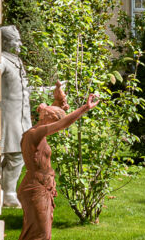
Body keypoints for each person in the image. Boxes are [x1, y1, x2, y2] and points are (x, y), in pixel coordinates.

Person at [17, 82, 99, 240]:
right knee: (39, 233)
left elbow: (57, 109)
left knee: (40, 231)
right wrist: (84, 108)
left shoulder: (38, 129)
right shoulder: (35, 133)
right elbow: (62, 123)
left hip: (41, 185)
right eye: (53, 116)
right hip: (35, 187)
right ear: (49, 119)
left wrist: (58, 90)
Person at [0, 25, 31, 207]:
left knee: (18, 154)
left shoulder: (16, 61)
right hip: (8, 116)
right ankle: (8, 193)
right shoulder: (2, 60)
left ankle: (5, 191)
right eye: (15, 40)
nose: (19, 44)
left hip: (21, 115)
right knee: (13, 154)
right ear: (4, 42)